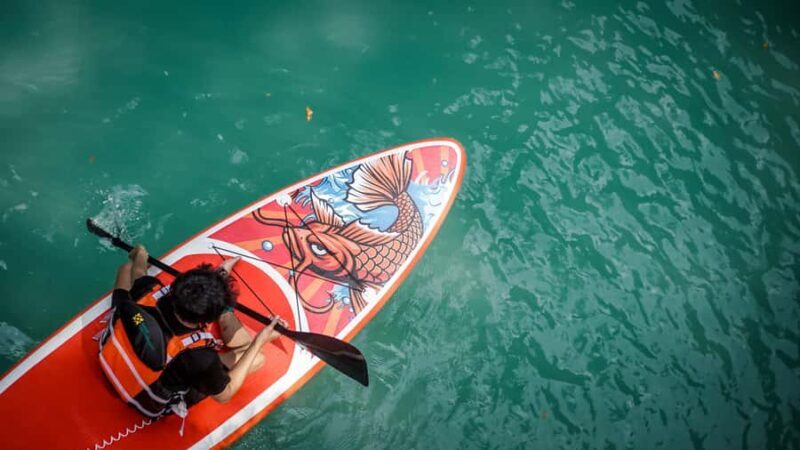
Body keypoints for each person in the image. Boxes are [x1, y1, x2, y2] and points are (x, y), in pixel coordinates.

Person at [98, 244, 281, 426]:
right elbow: (225, 395)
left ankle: (217, 293)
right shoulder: (199, 357)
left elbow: (138, 271)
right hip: (144, 398)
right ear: (208, 319)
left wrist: (139, 255)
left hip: (110, 350)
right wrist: (260, 340)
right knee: (258, 358)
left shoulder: (147, 288)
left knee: (127, 269)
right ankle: (226, 314)